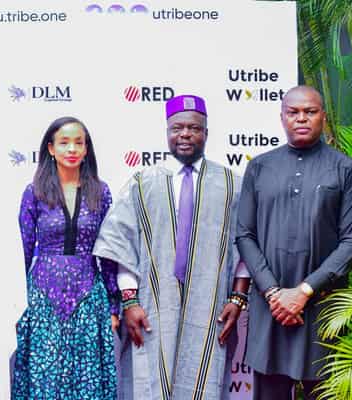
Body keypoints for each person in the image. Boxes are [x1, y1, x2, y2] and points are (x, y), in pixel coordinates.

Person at [94, 94, 250, 399]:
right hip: (154, 304)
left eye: (194, 128)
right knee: (152, 379)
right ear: (167, 132)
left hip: (210, 304)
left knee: (204, 380)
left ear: (206, 132)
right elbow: (121, 242)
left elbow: (246, 244)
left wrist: (237, 297)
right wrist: (130, 301)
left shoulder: (232, 184)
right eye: (177, 128)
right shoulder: (143, 183)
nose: (185, 134)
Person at [235, 85, 352, 400]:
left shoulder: (345, 169)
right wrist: (274, 293)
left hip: (323, 307)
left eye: (310, 111)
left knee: (323, 392)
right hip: (271, 309)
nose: (301, 118)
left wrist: (304, 291)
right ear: (282, 117)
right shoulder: (260, 167)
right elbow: (245, 235)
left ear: (323, 117)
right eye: (293, 112)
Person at [11, 116, 120, 400]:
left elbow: (108, 252)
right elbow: (22, 251)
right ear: (50, 148)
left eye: (78, 143)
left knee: (88, 382)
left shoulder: (101, 192)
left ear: (86, 149)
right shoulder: (34, 192)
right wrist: (15, 305)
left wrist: (113, 307)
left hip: (89, 298)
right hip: (42, 300)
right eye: (64, 142)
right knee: (44, 381)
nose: (71, 149)